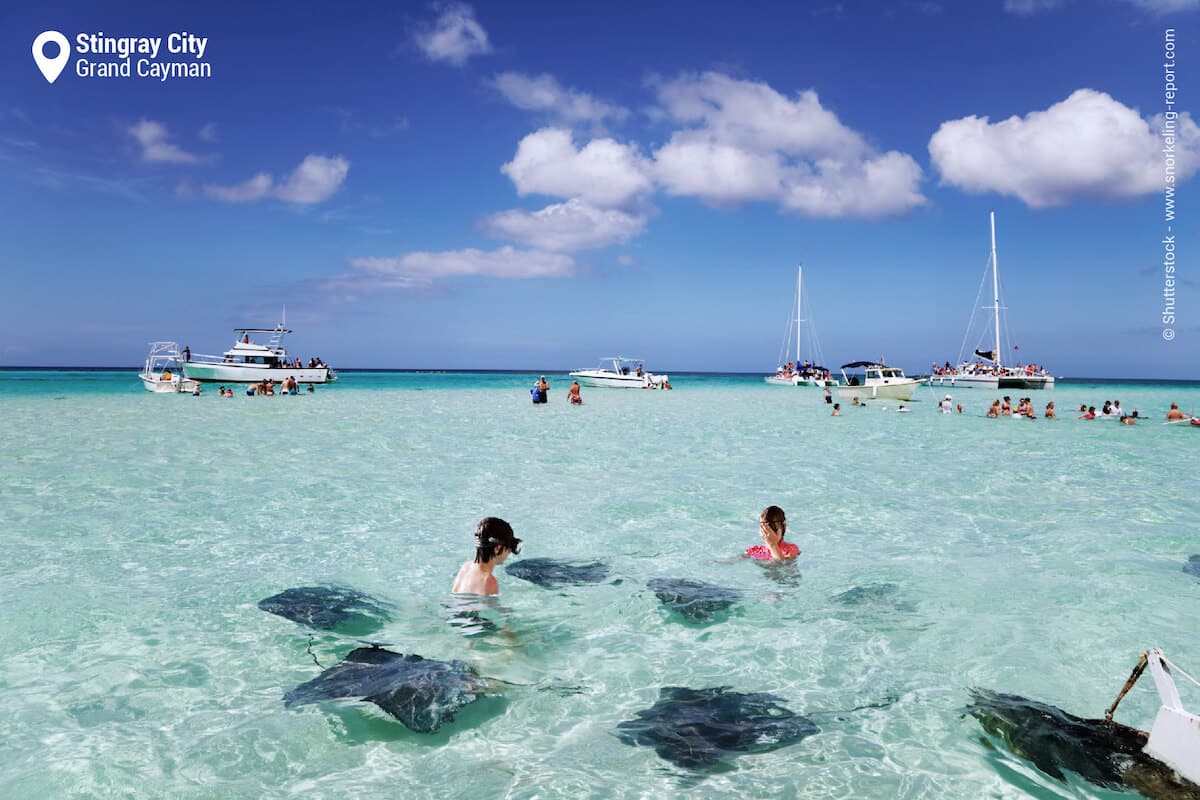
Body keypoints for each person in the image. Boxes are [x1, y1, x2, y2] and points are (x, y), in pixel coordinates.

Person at [451, 517, 523, 596]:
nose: (509, 552)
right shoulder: (489, 581)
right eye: (509, 548)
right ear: (498, 548)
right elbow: (491, 607)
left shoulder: (466, 567)